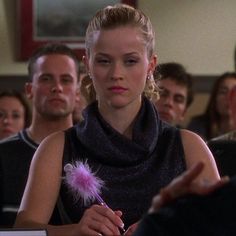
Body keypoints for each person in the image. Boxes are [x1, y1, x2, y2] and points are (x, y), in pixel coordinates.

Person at [14, 4, 220, 236]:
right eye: (104, 61)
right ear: (88, 64)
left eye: (130, 61)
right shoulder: (56, 148)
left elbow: (223, 228)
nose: (116, 74)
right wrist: (73, 231)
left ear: (150, 65)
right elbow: (20, 233)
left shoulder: (188, 147)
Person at [0, 43, 79, 227]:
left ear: (77, 92)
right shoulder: (3, 155)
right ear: (29, 90)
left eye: (66, 80)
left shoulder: (96, 150)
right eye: (46, 79)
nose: (57, 87)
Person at [187, 72, 236, 141]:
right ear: (215, 98)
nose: (229, 97)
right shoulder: (198, 125)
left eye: (234, 93)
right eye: (223, 92)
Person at [153, 62, 194, 127]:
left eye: (178, 100)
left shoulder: (187, 137)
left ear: (184, 113)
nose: (169, 103)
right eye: (162, 94)